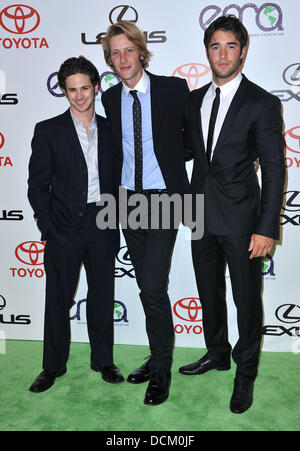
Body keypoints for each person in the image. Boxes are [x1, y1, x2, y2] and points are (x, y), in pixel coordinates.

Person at [179, 15, 285, 413]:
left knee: (246, 300)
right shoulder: (194, 99)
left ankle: (246, 373)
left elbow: (274, 168)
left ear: (243, 49)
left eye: (230, 46)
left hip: (243, 221)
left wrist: (266, 226)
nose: (222, 54)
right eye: (214, 46)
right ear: (206, 50)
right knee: (209, 294)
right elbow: (188, 153)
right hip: (200, 215)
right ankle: (217, 353)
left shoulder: (262, 102)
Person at [101, 22, 190, 405]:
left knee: (153, 286)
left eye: (128, 50)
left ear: (141, 52)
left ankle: (162, 370)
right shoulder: (107, 98)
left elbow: (192, 140)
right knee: (147, 287)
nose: (122, 59)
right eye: (114, 53)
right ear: (110, 59)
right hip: (127, 202)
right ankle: (156, 355)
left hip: (164, 199)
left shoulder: (172, 89)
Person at [27, 56, 124, 393]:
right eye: (73, 90)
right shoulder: (48, 130)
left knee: (102, 296)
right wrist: (48, 226)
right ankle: (52, 367)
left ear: (96, 87)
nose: (80, 95)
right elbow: (37, 187)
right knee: (57, 299)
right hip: (63, 228)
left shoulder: (113, 128)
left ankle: (104, 360)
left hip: (103, 222)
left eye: (85, 87)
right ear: (64, 92)